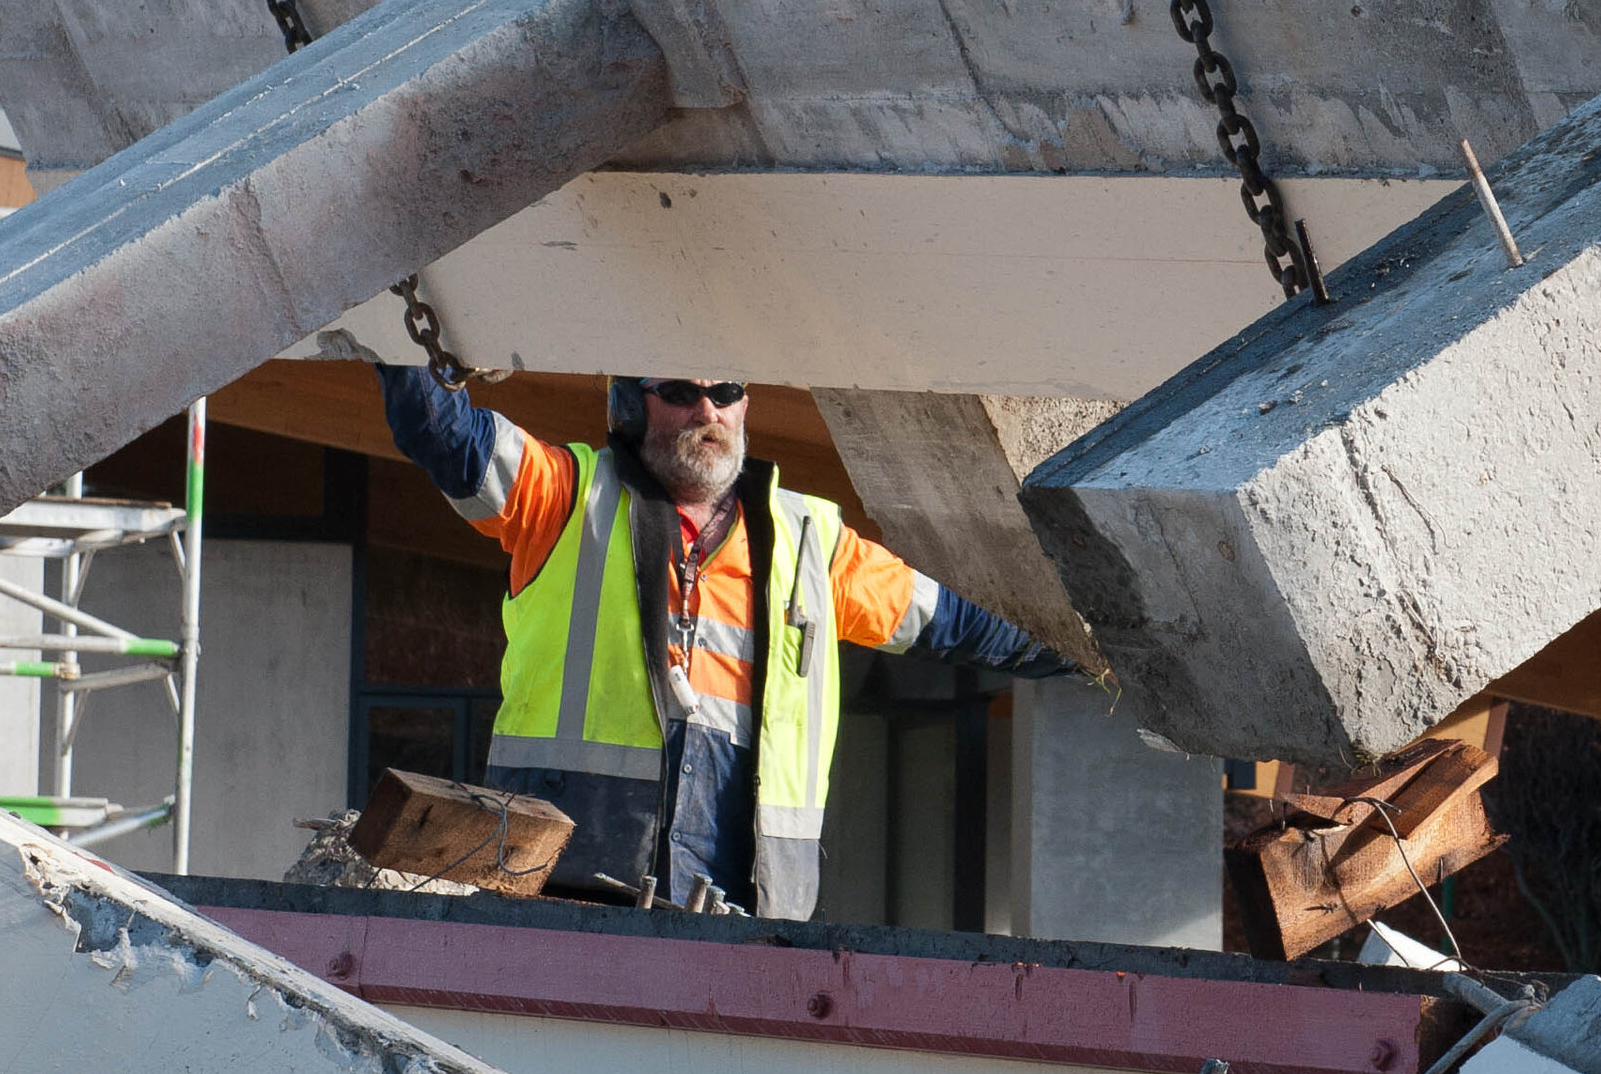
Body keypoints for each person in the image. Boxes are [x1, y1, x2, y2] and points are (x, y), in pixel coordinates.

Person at [377, 365, 1078, 917]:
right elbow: (441, 431)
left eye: (725, 392)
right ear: (631, 405)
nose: (706, 412)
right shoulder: (565, 497)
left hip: (748, 904)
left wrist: (1103, 652)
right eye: (681, 392)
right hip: (560, 880)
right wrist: (396, 323)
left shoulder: (812, 540)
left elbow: (968, 618)